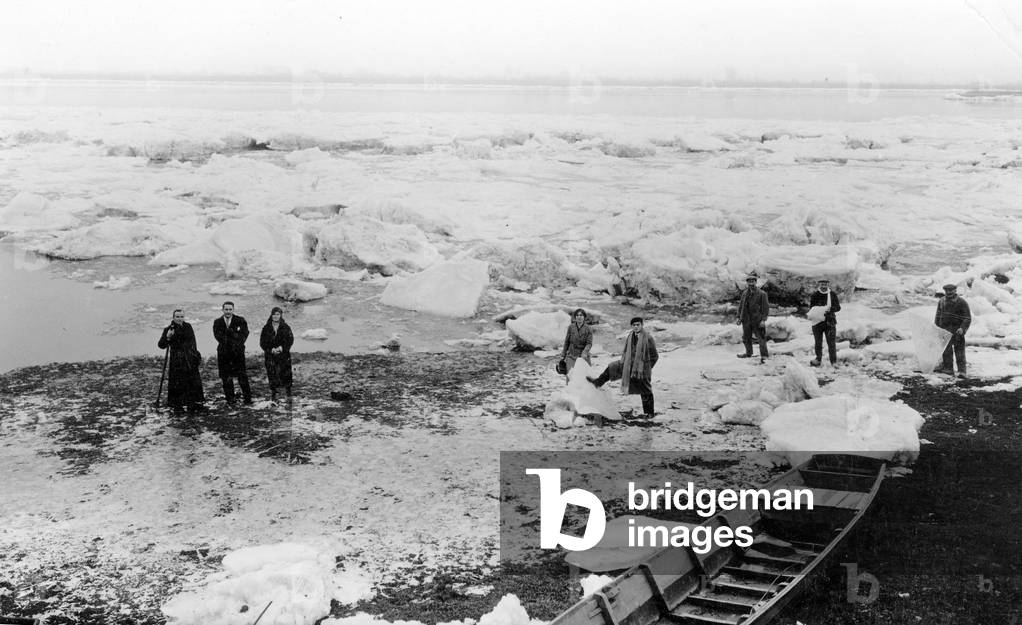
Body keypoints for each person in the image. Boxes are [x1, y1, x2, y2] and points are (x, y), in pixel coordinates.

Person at [587, 317, 659, 418]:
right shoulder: (630, 336)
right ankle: (598, 382)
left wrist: (646, 368)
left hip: (642, 368)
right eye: (634, 325)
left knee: (645, 389)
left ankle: (649, 413)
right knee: (612, 367)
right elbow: (627, 351)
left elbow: (655, 356)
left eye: (638, 325)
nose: (636, 327)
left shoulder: (648, 338)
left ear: (642, 325)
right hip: (628, 364)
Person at [157, 309, 206, 412]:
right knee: (177, 382)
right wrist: (168, 336)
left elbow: (193, 342)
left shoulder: (188, 327)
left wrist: (194, 355)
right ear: (173, 318)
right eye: (177, 317)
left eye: (181, 317)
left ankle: (192, 403)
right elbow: (161, 345)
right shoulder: (169, 329)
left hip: (189, 358)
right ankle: (177, 405)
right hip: (177, 359)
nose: (180, 319)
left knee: (192, 381)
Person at [213, 301, 252, 405]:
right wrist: (232, 338)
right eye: (226, 309)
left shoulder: (240, 320)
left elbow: (244, 334)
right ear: (222, 310)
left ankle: (248, 398)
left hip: (237, 352)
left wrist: (235, 343)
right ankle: (230, 399)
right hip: (224, 353)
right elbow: (218, 336)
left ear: (233, 310)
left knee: (242, 376)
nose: (228, 311)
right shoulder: (217, 322)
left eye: (230, 309)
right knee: (226, 377)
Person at [934, 284, 971, 378]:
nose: (949, 292)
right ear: (945, 291)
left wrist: (962, 328)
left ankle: (962, 371)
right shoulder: (941, 301)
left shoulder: (962, 302)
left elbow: (967, 318)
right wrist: (936, 328)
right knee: (946, 351)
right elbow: (938, 316)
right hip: (944, 330)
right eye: (947, 291)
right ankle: (948, 369)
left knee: (959, 352)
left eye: (951, 290)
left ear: (955, 290)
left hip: (957, 331)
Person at [260, 307, 295, 400]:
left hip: (283, 354)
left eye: (278, 314)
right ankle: (274, 391)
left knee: (286, 372)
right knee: (272, 372)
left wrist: (282, 348)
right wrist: (271, 349)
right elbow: (262, 342)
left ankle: (288, 391)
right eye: (274, 314)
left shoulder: (286, 327)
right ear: (271, 315)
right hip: (270, 355)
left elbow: (290, 340)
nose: (276, 316)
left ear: (281, 315)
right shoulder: (266, 328)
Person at [808, 278, 842, 367]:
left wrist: (830, 309)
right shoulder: (815, 295)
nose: (824, 286)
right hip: (817, 322)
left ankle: (833, 361)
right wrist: (820, 310)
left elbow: (838, 307)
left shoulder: (832, 294)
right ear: (819, 284)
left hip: (830, 322)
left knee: (831, 343)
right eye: (822, 284)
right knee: (818, 342)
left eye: (825, 284)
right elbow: (811, 307)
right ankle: (818, 359)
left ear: (828, 285)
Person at [737, 272, 769, 363]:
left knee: (761, 338)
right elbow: (741, 306)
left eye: (753, 281)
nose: (751, 284)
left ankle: (764, 356)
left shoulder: (762, 294)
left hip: (757, 320)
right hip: (746, 320)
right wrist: (739, 317)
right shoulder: (744, 293)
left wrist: (763, 320)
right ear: (747, 283)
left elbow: (765, 308)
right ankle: (748, 353)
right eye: (749, 282)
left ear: (756, 282)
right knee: (746, 337)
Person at [560, 308, 593, 379]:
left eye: (581, 315)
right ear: (575, 317)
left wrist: (585, 352)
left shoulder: (588, 328)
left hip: (583, 356)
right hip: (571, 355)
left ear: (584, 317)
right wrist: (563, 354)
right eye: (577, 315)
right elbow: (567, 342)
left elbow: (589, 343)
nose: (579, 317)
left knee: (586, 377)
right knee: (570, 376)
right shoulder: (571, 327)